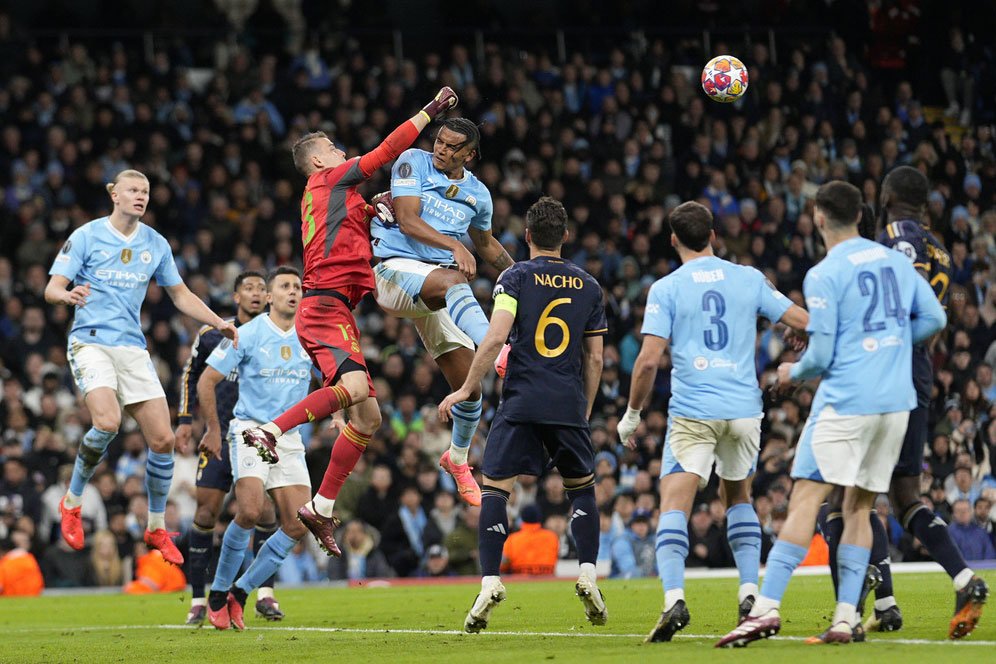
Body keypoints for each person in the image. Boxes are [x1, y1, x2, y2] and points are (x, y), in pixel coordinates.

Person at [716, 180, 947, 648]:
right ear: (861, 216)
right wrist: (895, 344)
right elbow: (937, 319)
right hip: (896, 403)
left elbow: (820, 357)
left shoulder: (824, 274)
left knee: (805, 500)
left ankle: (765, 609)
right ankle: (845, 618)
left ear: (820, 217)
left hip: (847, 402)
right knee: (860, 506)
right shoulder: (894, 260)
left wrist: (789, 370)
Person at [239, 87, 459, 557]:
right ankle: (271, 431)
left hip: (335, 308)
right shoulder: (329, 181)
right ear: (320, 162)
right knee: (357, 391)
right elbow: (384, 152)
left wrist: (373, 205)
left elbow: (357, 219)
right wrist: (430, 111)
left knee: (368, 417)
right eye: (335, 150)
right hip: (322, 305)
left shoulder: (331, 197)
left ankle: (321, 505)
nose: (342, 154)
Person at [616, 200, 809, 642]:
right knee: (738, 494)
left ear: (673, 240)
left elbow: (647, 362)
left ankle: (674, 600)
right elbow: (801, 320)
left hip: (694, 411)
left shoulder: (666, 288)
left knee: (675, 502)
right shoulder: (748, 278)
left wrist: (631, 415)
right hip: (744, 409)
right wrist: (801, 340)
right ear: (714, 236)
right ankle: (747, 592)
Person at [823, 165, 988, 639]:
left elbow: (892, 297)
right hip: (918, 371)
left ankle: (850, 612)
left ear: (888, 194)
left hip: (884, 369)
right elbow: (939, 313)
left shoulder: (896, 237)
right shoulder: (940, 248)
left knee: (843, 498)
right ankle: (960, 578)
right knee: (904, 497)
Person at [45, 168, 238, 565]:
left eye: (146, 191)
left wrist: (218, 321)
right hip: (92, 341)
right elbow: (51, 288)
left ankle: (154, 526)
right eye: (133, 190)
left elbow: (180, 294)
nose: (140, 196)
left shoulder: (155, 243)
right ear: (114, 194)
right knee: (107, 423)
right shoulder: (86, 235)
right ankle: (73, 500)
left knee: (164, 441)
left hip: (132, 348)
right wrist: (68, 295)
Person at [438, 197, 607, 632]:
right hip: (567, 402)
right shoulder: (589, 286)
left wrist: (467, 387)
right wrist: (582, 411)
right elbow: (595, 361)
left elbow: (494, 338)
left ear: (527, 236)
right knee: (581, 489)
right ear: (565, 237)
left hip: (522, 400)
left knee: (496, 490)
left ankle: (491, 580)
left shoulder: (515, 277)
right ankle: (588, 571)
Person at [374, 116, 515, 507]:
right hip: (393, 270)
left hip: (437, 290)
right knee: (455, 281)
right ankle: (500, 347)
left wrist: (522, 275)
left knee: (471, 385)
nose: (441, 149)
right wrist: (454, 247)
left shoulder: (479, 195)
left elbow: (485, 245)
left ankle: (457, 459)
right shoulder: (412, 162)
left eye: (453, 147)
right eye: (439, 141)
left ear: (469, 155)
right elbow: (406, 218)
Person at [198, 267, 313, 631]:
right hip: (250, 429)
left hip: (289, 437)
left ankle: (241, 591)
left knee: (299, 524)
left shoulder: (311, 335)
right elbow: (206, 380)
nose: (292, 292)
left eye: (297, 287)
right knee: (248, 511)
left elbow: (334, 379)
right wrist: (214, 430)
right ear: (269, 297)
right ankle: (217, 593)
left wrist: (340, 416)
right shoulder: (245, 334)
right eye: (284, 287)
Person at [174, 270, 285, 625]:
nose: (255, 294)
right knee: (206, 513)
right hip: (217, 437)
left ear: (269, 297)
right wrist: (186, 420)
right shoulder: (212, 335)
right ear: (236, 297)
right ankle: (197, 598)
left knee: (264, 512)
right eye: (248, 288)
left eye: (261, 289)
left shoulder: (276, 335)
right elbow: (191, 375)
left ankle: (265, 594)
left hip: (256, 435)